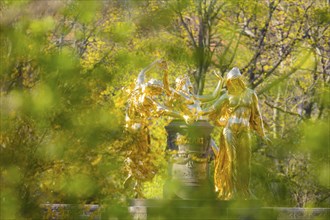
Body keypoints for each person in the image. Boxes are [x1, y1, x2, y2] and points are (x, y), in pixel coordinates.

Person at [200, 67, 269, 200]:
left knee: (245, 163)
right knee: (231, 161)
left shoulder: (250, 94)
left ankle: (245, 191)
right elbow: (211, 109)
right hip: (230, 131)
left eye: (236, 80)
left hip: (244, 131)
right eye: (231, 81)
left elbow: (257, 116)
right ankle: (230, 191)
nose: (234, 83)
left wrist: (262, 134)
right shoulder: (227, 96)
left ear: (240, 80)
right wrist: (196, 111)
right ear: (229, 82)